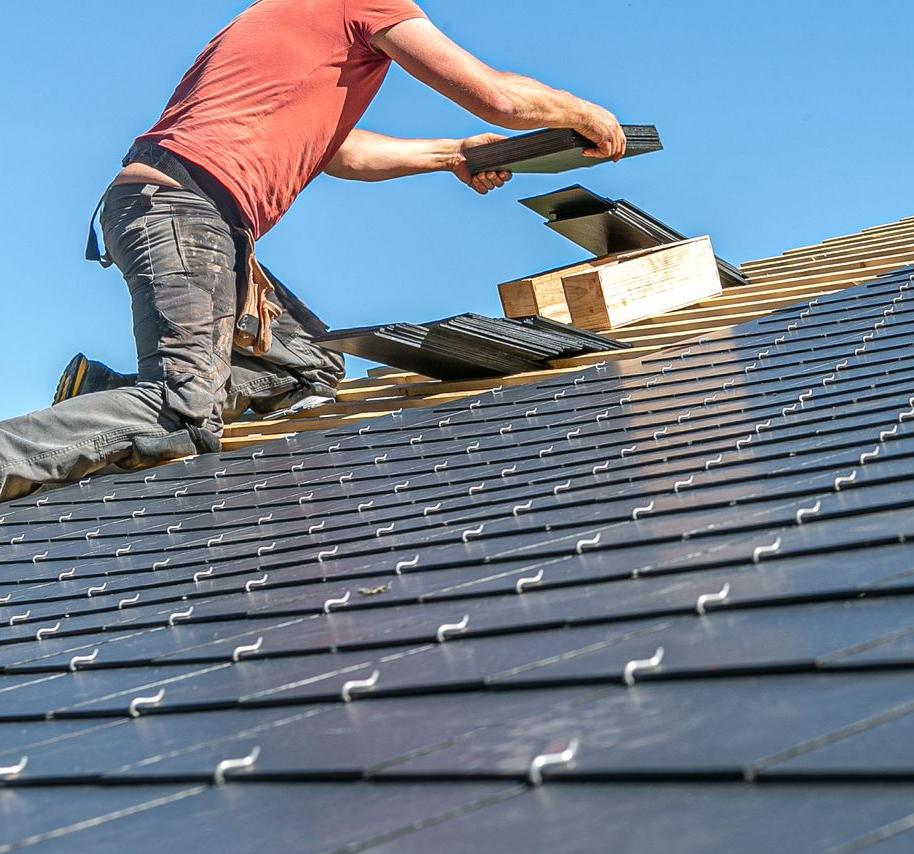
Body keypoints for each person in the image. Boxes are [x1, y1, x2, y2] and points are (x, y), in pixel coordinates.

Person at [0, 0, 626, 502]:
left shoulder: (290, 18)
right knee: (182, 416)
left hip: (197, 216)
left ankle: (102, 391)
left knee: (308, 367)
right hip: (183, 208)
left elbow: (343, 152)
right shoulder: (363, 2)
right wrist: (584, 113)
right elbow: (499, 96)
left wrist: (454, 155)